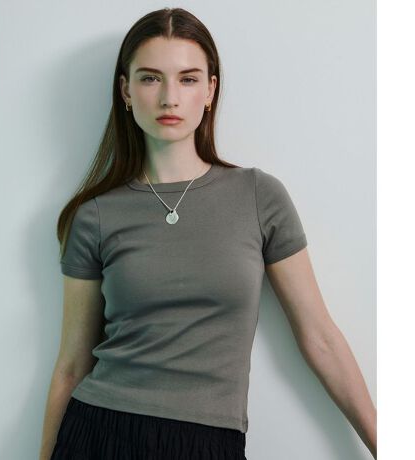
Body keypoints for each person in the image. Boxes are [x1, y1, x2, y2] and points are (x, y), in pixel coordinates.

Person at [39, 7, 377, 460]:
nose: (170, 98)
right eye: (150, 78)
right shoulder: (96, 215)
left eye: (188, 79)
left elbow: (320, 337)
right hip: (101, 431)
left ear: (210, 90)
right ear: (126, 91)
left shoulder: (258, 196)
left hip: (210, 440)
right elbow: (72, 364)